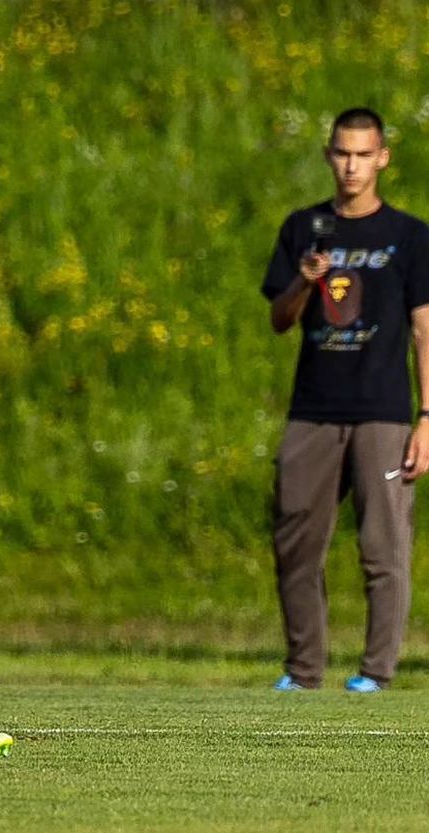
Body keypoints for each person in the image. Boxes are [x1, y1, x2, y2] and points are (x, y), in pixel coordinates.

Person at [262, 107, 429, 692]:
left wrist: (427, 417)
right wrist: (304, 282)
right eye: (342, 153)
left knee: (383, 549)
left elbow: (424, 328)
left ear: (382, 158)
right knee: (296, 542)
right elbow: (281, 320)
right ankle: (302, 670)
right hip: (314, 408)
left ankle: (375, 672)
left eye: (363, 154)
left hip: (382, 410)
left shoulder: (409, 236)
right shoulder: (303, 227)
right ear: (329, 156)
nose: (352, 166)